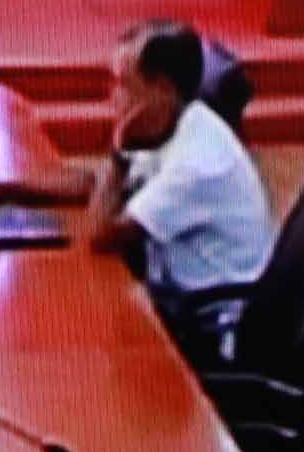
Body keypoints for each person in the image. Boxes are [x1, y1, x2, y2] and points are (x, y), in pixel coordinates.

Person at [88, 21, 277, 303]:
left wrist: (118, 151)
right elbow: (99, 182)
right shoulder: (181, 119)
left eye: (123, 84)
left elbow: (100, 236)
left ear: (162, 90)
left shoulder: (196, 165)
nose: (111, 96)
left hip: (204, 311)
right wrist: (18, 187)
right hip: (174, 284)